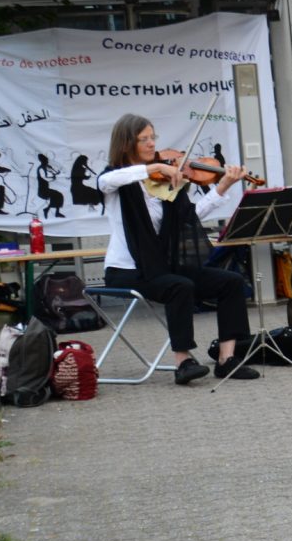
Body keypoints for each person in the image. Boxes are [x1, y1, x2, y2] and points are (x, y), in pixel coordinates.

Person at [97, 114, 265, 383]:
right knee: (180, 286)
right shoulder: (117, 182)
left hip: (163, 266)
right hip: (127, 270)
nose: (152, 144)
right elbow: (106, 180)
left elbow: (189, 217)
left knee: (231, 282)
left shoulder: (162, 184)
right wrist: (155, 168)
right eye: (143, 139)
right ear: (127, 143)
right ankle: (183, 361)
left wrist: (222, 186)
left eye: (153, 137)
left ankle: (227, 359)